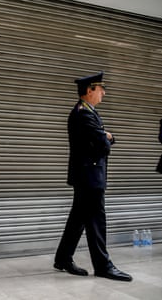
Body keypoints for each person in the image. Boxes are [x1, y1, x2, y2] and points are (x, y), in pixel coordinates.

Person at [53, 71, 132, 282]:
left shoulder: (87, 111)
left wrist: (105, 136)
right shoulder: (83, 113)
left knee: (77, 219)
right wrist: (108, 137)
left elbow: (100, 140)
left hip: (86, 175)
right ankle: (103, 266)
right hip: (89, 177)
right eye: (101, 89)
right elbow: (103, 145)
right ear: (90, 90)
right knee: (96, 220)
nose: (104, 93)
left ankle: (62, 258)